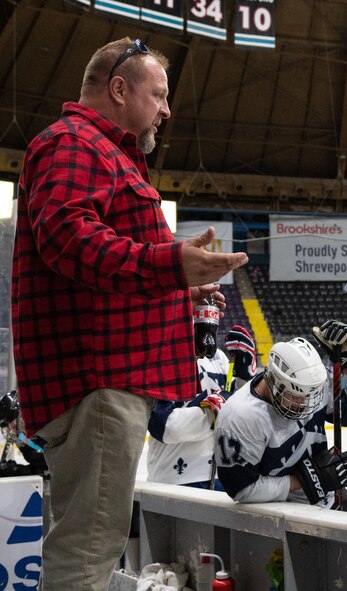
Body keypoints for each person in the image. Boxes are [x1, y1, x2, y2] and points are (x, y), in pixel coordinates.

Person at [11, 37, 248, 591]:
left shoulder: (105, 153)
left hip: (103, 380)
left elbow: (98, 264)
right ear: (119, 88)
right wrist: (168, 266)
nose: (167, 109)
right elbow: (68, 238)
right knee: (87, 551)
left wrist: (175, 291)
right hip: (99, 382)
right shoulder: (74, 142)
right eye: (159, 94)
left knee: (90, 543)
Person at [214, 323, 347, 508]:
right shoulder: (240, 417)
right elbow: (241, 489)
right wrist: (302, 480)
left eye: (310, 395)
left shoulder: (308, 386)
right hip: (279, 512)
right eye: (296, 396)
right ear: (273, 381)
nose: (305, 404)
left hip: (323, 498)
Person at [147, 325, 258, 489]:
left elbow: (239, 415)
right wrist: (212, 413)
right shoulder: (162, 354)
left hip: (222, 477)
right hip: (173, 481)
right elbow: (162, 427)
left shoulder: (219, 357)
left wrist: (246, 381)